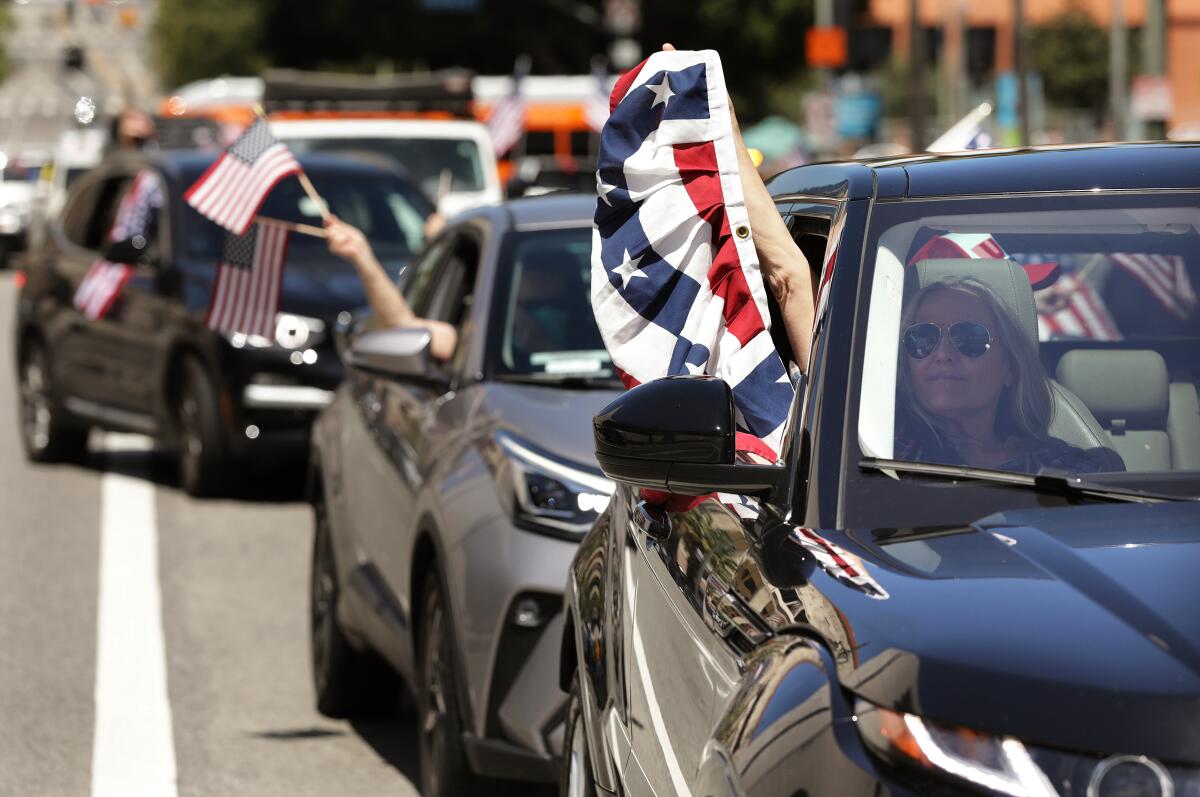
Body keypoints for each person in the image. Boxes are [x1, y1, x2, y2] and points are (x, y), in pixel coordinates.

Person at [894, 277, 1125, 473]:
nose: (942, 354)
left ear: (1009, 367)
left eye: (969, 338)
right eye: (922, 338)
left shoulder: (1067, 468)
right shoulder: (880, 447)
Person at [323, 215, 458, 361]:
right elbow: (403, 325)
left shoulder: (471, 344)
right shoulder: (465, 342)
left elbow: (403, 325)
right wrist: (360, 253)